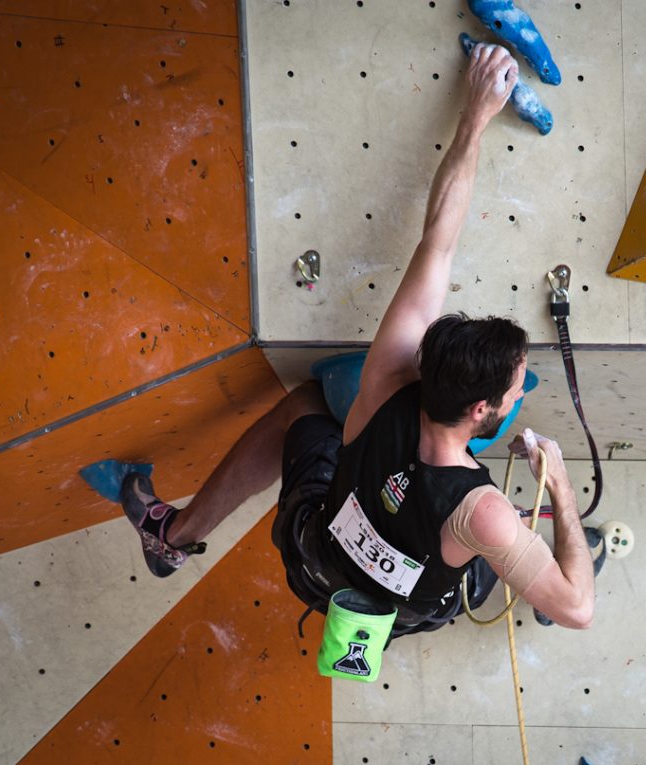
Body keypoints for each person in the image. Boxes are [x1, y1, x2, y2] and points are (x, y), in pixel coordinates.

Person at [120, 43, 594, 638]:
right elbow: (579, 612)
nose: (524, 380)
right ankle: (552, 560)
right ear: (483, 411)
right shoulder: (484, 514)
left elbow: (436, 244)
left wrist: (474, 117)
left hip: (316, 556)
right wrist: (562, 490)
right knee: (510, 567)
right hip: (398, 604)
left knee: (303, 410)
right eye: (517, 381)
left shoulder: (385, 380)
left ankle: (175, 539)